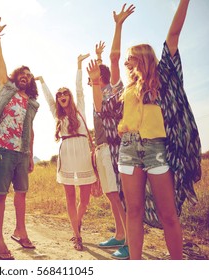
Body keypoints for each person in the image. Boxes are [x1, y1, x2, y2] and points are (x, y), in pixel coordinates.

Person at [87, 1, 201, 260]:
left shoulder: (164, 78)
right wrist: (95, 79)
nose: (126, 62)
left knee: (168, 213)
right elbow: (101, 105)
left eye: (130, 58)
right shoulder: (125, 89)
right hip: (128, 149)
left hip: (156, 149)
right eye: (125, 59)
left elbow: (173, 35)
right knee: (133, 211)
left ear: (142, 57)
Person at [0, 15, 39, 260]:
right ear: (16, 76)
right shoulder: (6, 89)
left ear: (30, 82)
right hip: (3, 151)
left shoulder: (31, 103)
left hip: (21, 153)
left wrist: (29, 156)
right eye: (22, 72)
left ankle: (20, 230)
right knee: (1, 195)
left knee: (22, 194)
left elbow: (31, 130)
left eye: (29, 75)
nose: (25, 75)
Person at [35, 53, 96, 251]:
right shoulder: (57, 115)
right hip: (67, 154)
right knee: (70, 197)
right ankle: (77, 235)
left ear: (69, 96)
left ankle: (76, 224)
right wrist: (43, 82)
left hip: (84, 154)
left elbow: (79, 89)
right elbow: (48, 101)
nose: (62, 96)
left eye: (64, 94)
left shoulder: (80, 109)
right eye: (59, 95)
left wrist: (79, 65)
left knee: (84, 200)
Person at [88, 41, 128, 259]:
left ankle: (130, 240)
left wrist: (103, 59)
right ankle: (120, 234)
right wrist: (98, 56)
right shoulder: (98, 91)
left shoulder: (111, 91)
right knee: (111, 194)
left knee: (119, 195)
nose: (90, 79)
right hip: (101, 148)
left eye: (93, 77)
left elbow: (111, 73)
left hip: (114, 148)